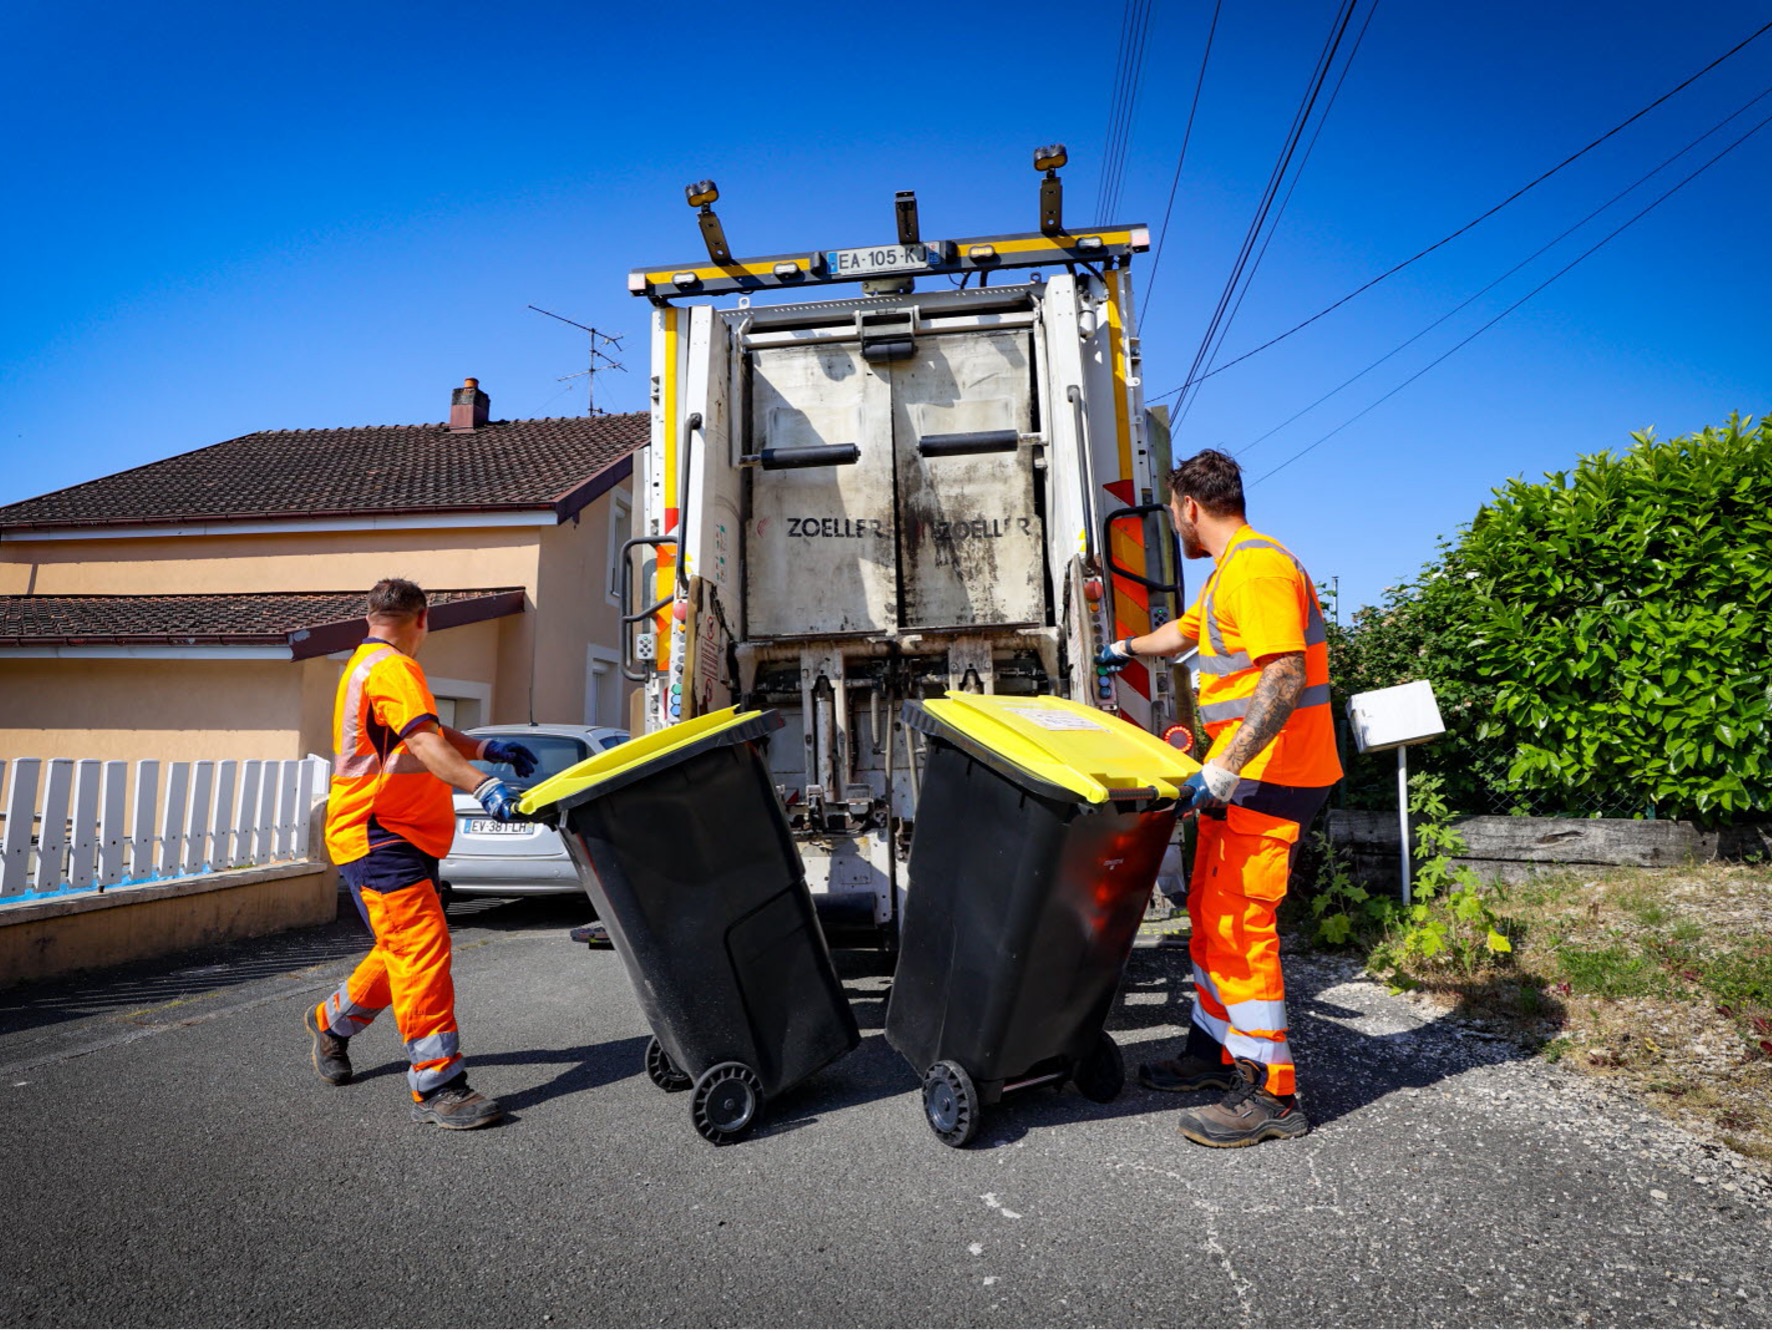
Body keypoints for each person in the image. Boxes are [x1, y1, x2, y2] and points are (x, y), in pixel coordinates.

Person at [1096, 449, 1341, 1148]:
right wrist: (1126, 645)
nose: (1175, 521)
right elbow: (1186, 632)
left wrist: (1225, 767)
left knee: (1238, 925)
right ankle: (1210, 1055)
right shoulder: (1229, 572)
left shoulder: (1259, 567)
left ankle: (1273, 1095)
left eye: (1173, 511)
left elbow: (1284, 677)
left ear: (1188, 507)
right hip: (1251, 773)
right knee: (1206, 913)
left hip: (1274, 773)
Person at [304, 578, 537, 1130]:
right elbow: (424, 744)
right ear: (424, 620)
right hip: (381, 833)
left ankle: (330, 1024)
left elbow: (424, 730)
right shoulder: (393, 668)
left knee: (401, 947)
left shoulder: (367, 663)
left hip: (395, 832)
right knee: (420, 949)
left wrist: (483, 747)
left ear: (370, 617)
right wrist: (482, 784)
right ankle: (438, 1082)